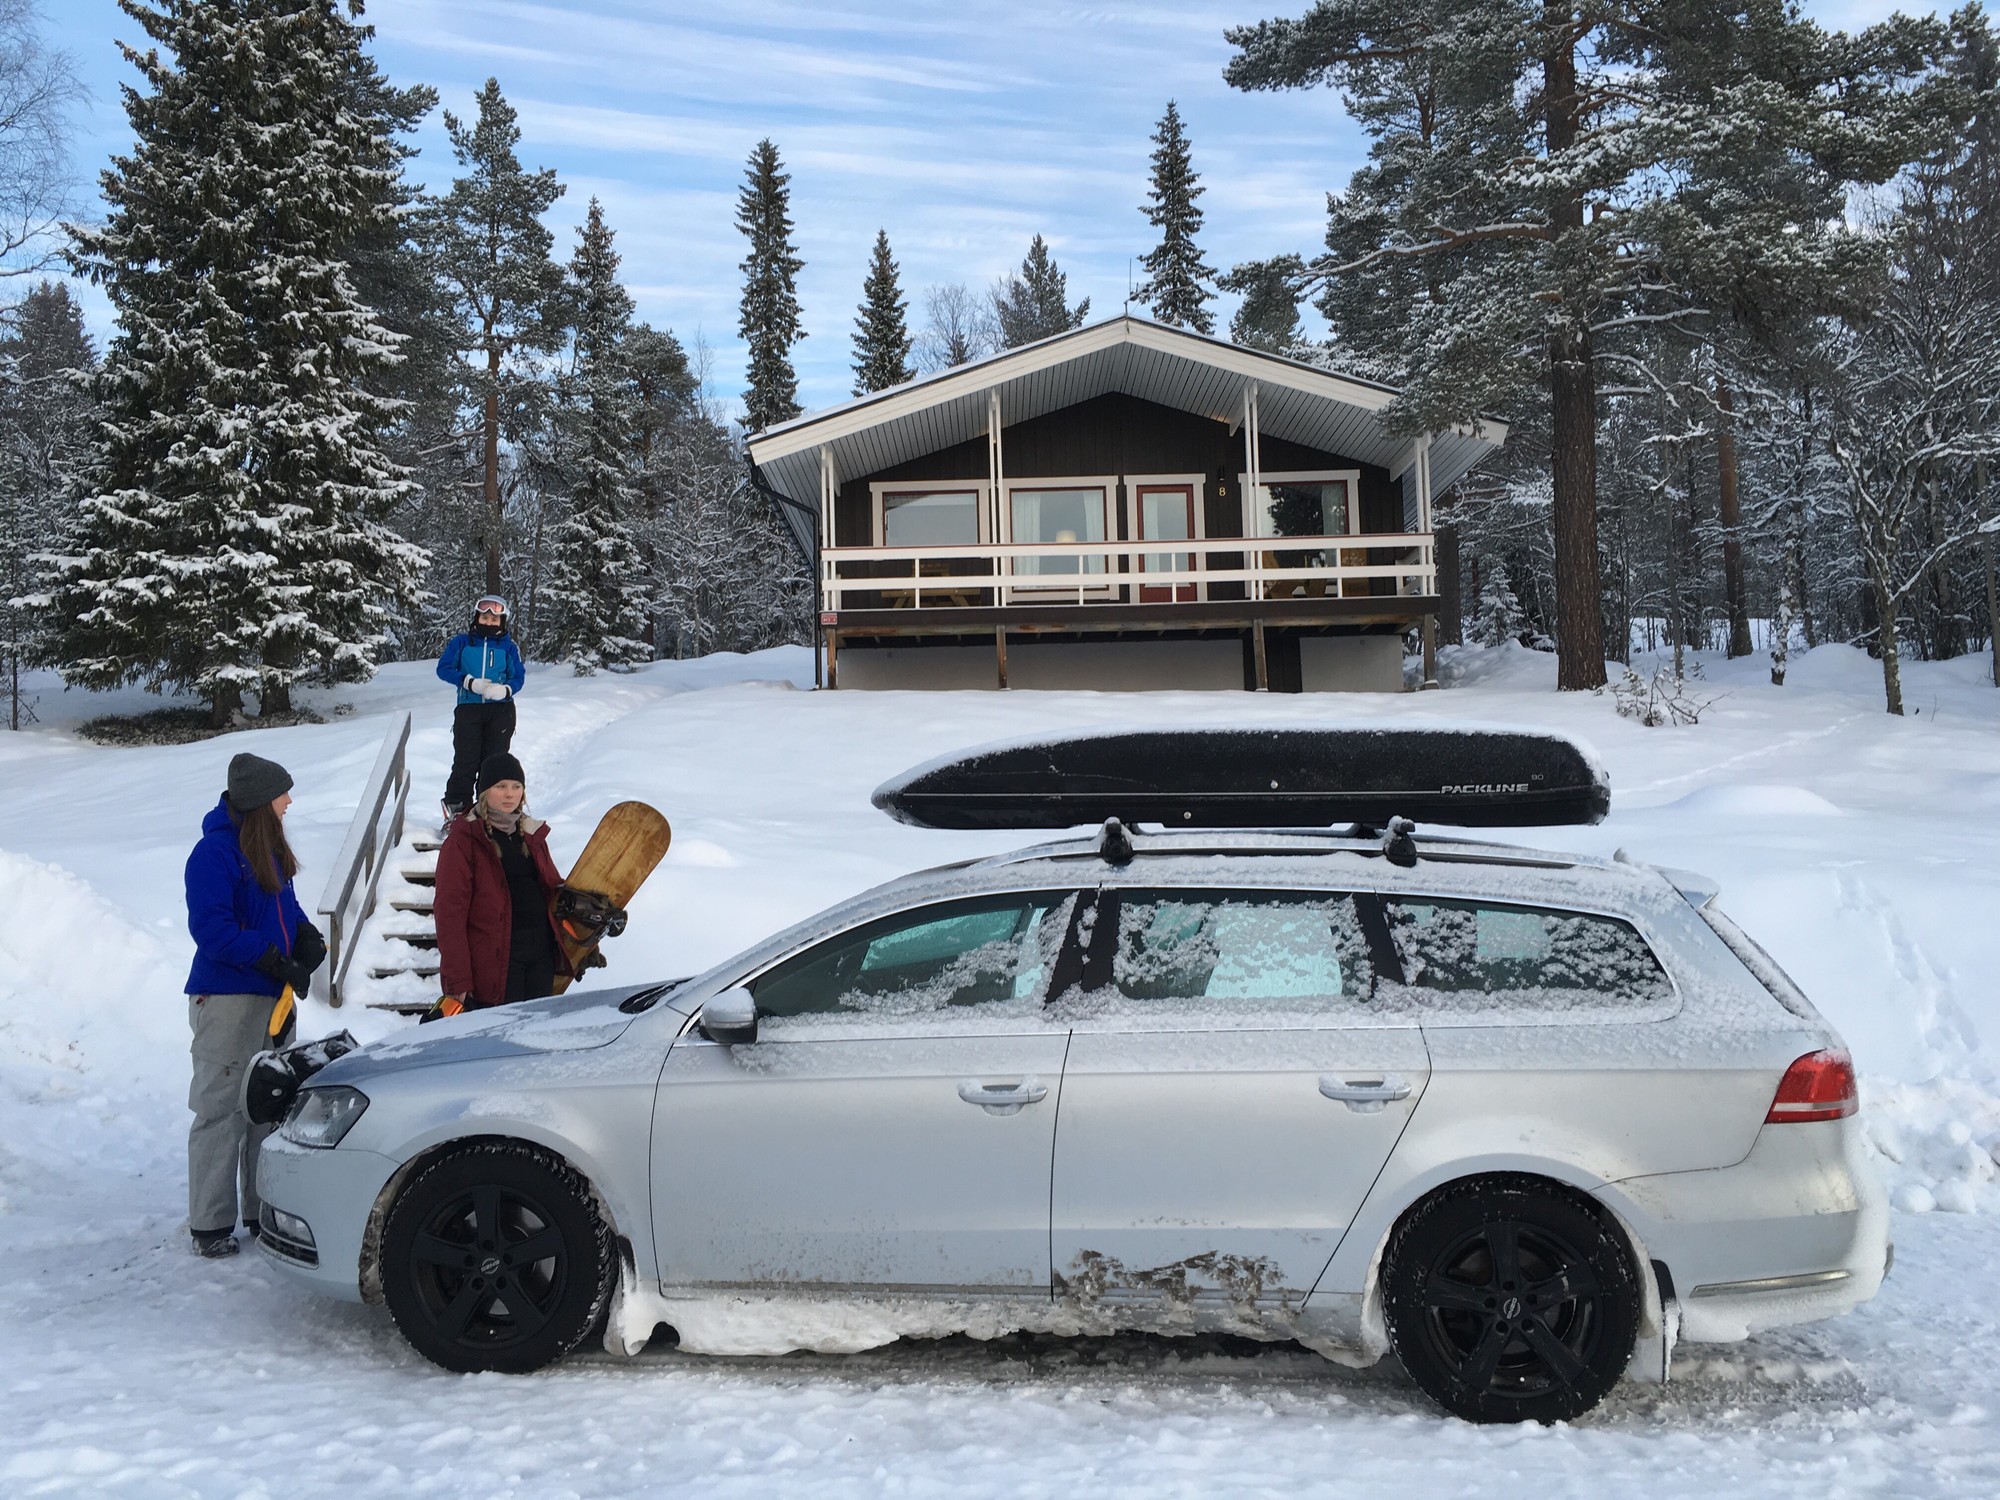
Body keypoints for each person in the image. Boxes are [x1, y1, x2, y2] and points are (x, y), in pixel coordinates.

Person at [183, 753, 326, 1258]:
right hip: (228, 999)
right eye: (283, 793)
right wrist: (270, 957)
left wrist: (306, 937)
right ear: (262, 800)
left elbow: (285, 909)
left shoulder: (269, 849)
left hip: (273, 999)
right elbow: (212, 930)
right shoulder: (213, 853)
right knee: (221, 1110)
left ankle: (259, 1211)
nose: (290, 801)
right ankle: (210, 1224)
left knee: (267, 1108)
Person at [431, 752, 571, 1014]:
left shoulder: (531, 835)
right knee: (504, 1035)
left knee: (537, 1030)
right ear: (484, 792)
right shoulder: (463, 842)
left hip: (540, 957)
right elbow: (449, 915)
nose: (510, 794)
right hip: (496, 963)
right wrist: (458, 980)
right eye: (501, 786)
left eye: (516, 786)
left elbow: (552, 890)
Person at [435, 594, 526, 822]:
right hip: (469, 709)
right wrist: (468, 682)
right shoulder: (462, 642)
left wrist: (506, 690)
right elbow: (443, 668)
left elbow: (518, 676)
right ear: (477, 618)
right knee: (465, 762)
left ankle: (491, 816)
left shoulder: (509, 647)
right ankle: (457, 815)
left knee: (493, 764)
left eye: (494, 620)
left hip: (501, 712)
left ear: (502, 622)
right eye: (485, 618)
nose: (489, 622)